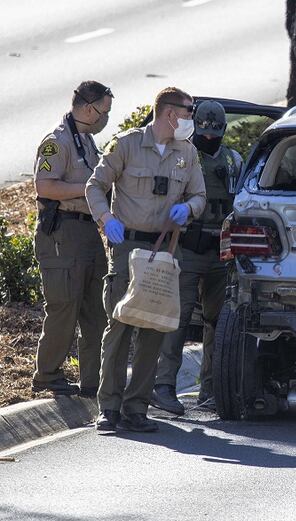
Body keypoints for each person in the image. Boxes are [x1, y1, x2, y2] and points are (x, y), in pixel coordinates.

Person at [86, 87, 206, 433]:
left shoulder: (188, 153)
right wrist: (106, 220)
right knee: (120, 326)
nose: (190, 119)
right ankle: (108, 407)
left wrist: (189, 209)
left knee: (153, 327)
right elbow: (95, 186)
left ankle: (136, 408)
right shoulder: (126, 145)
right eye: (188, 112)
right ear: (170, 114)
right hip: (127, 248)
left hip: (164, 249)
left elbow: (198, 194)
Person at [152, 100, 243, 415]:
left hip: (221, 254)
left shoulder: (234, 161)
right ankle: (164, 386)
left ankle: (212, 390)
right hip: (186, 251)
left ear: (222, 131)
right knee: (176, 321)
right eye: (203, 132)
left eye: (214, 133)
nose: (208, 139)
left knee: (218, 324)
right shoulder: (181, 158)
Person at [31, 81, 113, 397]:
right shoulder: (57, 141)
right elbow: (45, 186)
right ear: (89, 108)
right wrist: (88, 188)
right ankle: (47, 374)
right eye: (104, 110)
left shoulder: (87, 140)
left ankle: (92, 380)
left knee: (96, 308)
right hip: (62, 232)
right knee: (64, 305)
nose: (106, 116)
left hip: (87, 230)